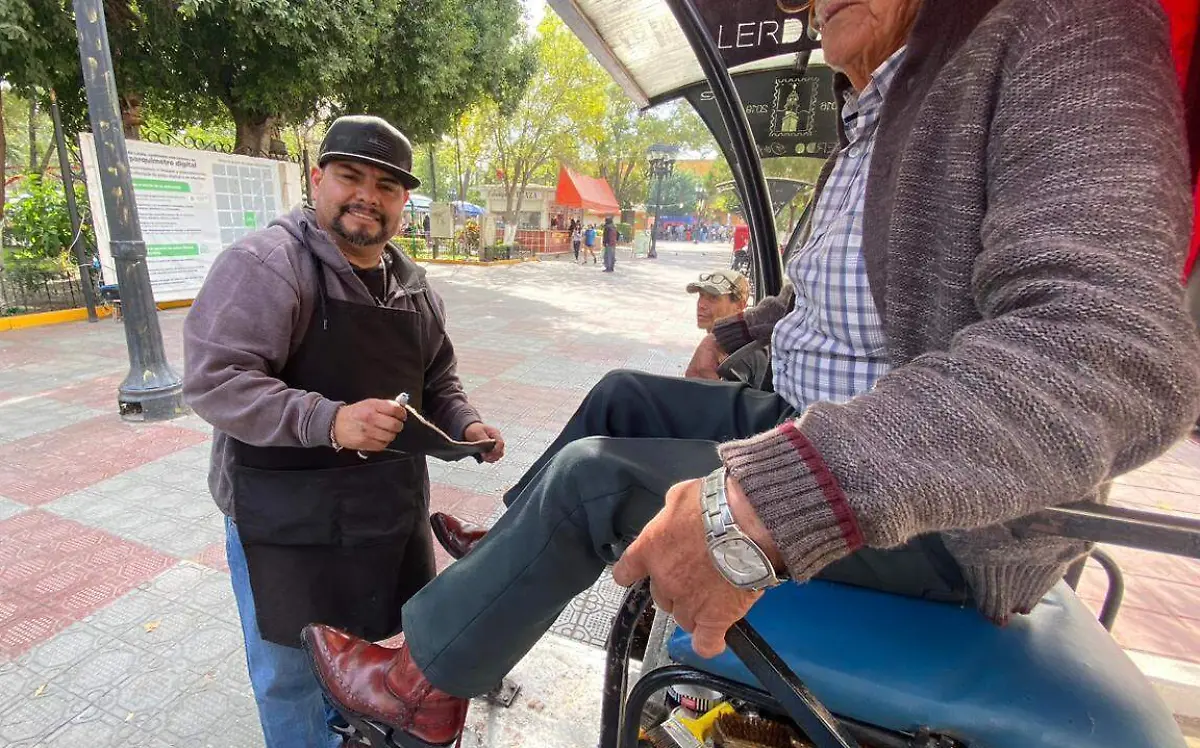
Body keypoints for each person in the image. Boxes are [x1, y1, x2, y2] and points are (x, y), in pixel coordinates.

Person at [302, 2, 1200, 746]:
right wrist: (735, 328)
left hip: (950, 504)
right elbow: (826, 294)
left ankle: (424, 689)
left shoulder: (1058, 25)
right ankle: (505, 560)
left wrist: (788, 492)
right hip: (812, 412)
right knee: (624, 392)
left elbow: (1107, 347)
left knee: (590, 484)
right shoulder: (877, 104)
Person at [182, 114, 506, 748]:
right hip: (281, 516)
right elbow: (215, 380)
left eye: (387, 186)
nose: (368, 196)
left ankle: (342, 732)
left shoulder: (414, 288)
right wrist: (331, 421)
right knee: (289, 669)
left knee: (363, 651)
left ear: (404, 202)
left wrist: (464, 422)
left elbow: (438, 379)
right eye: (350, 176)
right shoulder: (267, 263)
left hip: (379, 507)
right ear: (317, 179)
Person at [687, 269, 768, 388]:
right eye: (701, 295)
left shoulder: (743, 352)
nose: (701, 305)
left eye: (713, 298)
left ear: (740, 305)